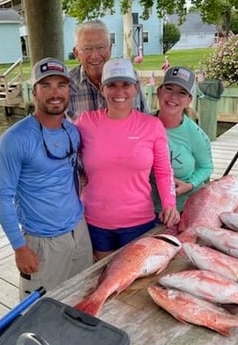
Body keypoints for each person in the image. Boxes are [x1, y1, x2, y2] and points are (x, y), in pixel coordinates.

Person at [0, 57, 93, 300]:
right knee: (40, 312)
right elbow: (2, 197)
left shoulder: (73, 131)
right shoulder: (14, 139)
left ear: (70, 90)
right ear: (34, 91)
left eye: (61, 85)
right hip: (42, 241)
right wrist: (19, 247)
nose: (55, 93)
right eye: (46, 86)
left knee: (81, 298)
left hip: (79, 232)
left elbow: (75, 175)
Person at [75, 58, 180, 260]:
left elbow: (164, 171)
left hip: (139, 221)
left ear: (136, 88)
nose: (119, 92)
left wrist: (169, 203)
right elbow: (63, 159)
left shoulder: (152, 125)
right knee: (102, 276)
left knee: (134, 282)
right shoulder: (85, 122)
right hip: (94, 221)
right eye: (112, 85)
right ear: (102, 88)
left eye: (126, 85)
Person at [152, 66, 214, 213]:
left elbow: (207, 167)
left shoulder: (196, 134)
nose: (173, 97)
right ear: (159, 92)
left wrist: (190, 184)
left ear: (189, 100)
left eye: (182, 93)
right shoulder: (142, 125)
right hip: (146, 210)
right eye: (169, 89)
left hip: (183, 208)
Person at [67, 19, 149, 120]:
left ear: (110, 49)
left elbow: (145, 119)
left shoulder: (130, 77)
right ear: (76, 53)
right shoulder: (67, 84)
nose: (95, 55)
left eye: (100, 47)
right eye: (87, 49)